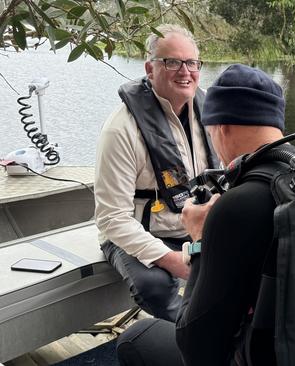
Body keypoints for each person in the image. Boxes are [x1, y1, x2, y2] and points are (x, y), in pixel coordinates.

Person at [114, 64, 295, 366]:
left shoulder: (238, 205)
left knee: (136, 338)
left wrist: (200, 242)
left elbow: (196, 348)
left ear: (222, 127)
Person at [94, 24, 218, 322]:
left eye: (191, 63)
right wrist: (172, 260)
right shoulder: (121, 129)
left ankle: (229, 332)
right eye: (172, 62)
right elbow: (112, 218)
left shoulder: (211, 114)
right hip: (138, 232)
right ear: (150, 69)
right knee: (155, 286)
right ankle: (188, 339)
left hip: (194, 225)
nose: (184, 72)